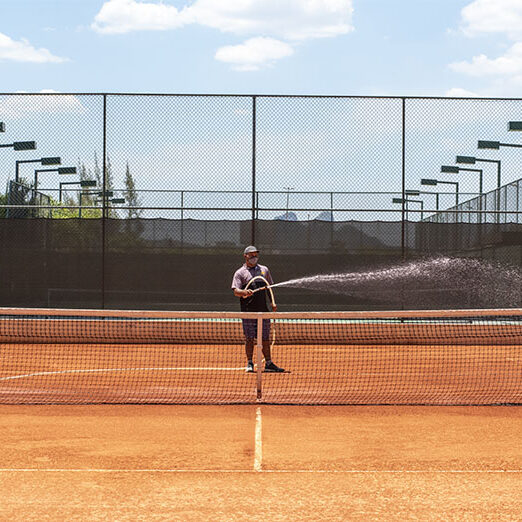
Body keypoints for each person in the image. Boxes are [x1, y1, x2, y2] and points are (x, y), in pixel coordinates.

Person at [231, 246, 285, 373]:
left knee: (265, 339)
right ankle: (250, 363)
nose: (254, 257)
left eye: (255, 254)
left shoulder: (264, 270)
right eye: (251, 255)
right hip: (248, 311)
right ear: (245, 256)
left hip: (263, 311)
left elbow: (268, 287)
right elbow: (235, 291)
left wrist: (272, 302)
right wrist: (244, 292)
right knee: (249, 339)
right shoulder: (240, 273)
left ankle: (269, 363)